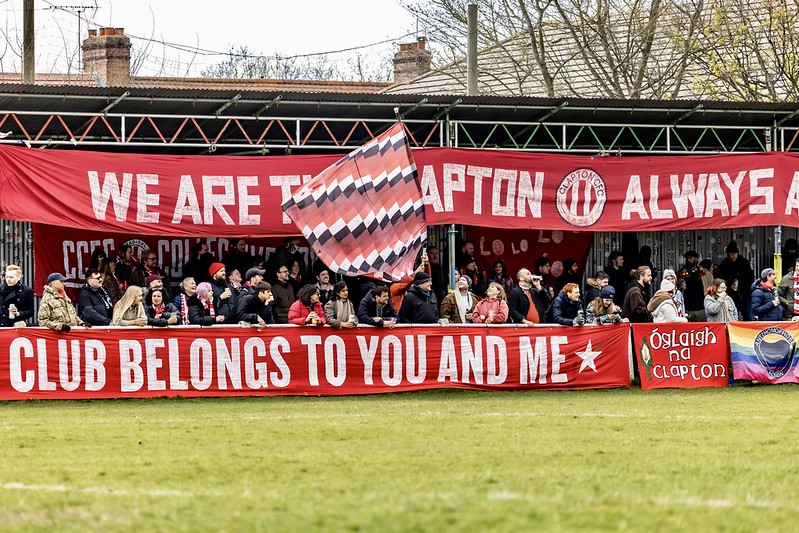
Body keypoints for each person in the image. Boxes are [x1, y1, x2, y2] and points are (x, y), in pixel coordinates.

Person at [717, 240, 755, 320]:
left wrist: (740, 282)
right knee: (733, 318)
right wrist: (729, 284)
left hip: (745, 294)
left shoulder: (744, 263)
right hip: (731, 296)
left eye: (733, 254)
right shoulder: (724, 264)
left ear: (737, 253)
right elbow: (719, 278)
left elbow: (751, 278)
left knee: (749, 317)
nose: (731, 257)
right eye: (729, 255)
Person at [677, 251, 707, 321]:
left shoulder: (703, 272)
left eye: (690, 258)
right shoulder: (682, 272)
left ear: (696, 259)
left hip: (701, 308)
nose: (688, 260)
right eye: (687, 258)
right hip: (687, 308)